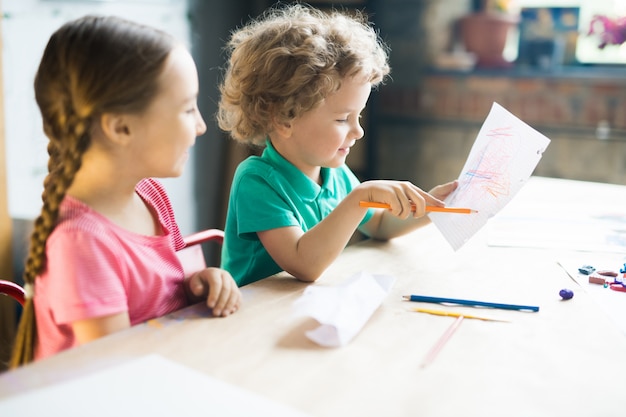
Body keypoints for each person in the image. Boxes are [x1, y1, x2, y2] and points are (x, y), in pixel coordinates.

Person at [11, 15, 241, 367]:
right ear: (120, 127)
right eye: (186, 108)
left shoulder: (150, 194)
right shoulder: (81, 244)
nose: (200, 125)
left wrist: (201, 282)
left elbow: (170, 287)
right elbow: (117, 374)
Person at [217, 4, 458, 287]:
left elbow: (378, 224)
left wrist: (430, 209)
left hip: (296, 310)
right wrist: (358, 198)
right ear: (284, 118)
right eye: (343, 118)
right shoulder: (257, 181)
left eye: (358, 116)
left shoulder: (334, 174)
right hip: (250, 320)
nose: (358, 131)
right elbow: (303, 263)